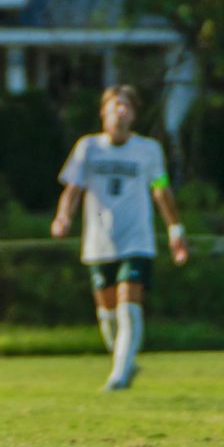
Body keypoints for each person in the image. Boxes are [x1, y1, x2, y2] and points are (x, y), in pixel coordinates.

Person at [51, 85, 189, 390]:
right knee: (108, 314)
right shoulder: (87, 148)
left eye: (126, 106)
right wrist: (63, 217)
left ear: (134, 114)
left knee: (129, 305)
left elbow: (161, 188)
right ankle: (124, 360)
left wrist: (175, 230)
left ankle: (119, 375)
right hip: (99, 241)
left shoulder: (149, 150)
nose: (120, 110)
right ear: (103, 111)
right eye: (115, 105)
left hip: (137, 239)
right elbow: (72, 190)